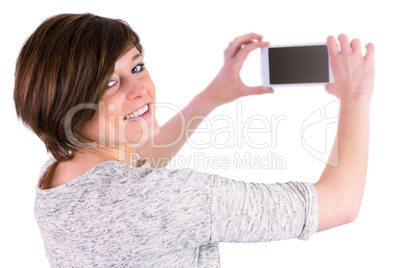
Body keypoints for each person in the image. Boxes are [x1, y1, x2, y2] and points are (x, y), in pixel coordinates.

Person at [14, 13, 374, 267]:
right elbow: (340, 204)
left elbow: (139, 169)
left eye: (136, 67)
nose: (140, 89)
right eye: (110, 82)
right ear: (66, 101)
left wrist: (216, 93)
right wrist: (356, 97)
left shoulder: (56, 180)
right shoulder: (169, 198)